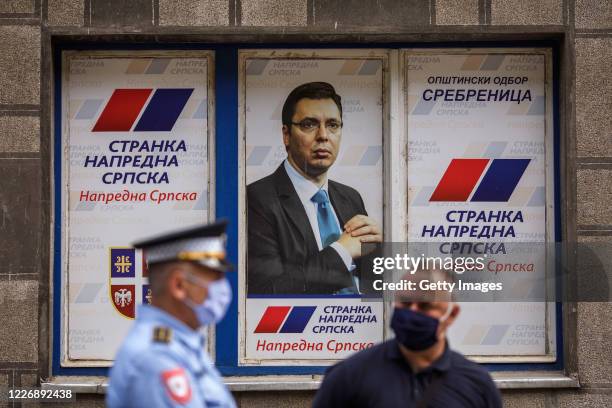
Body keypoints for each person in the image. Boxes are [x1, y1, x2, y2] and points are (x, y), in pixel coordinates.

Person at [247, 81, 382, 295]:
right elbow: (268, 291)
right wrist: (342, 251)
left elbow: (372, 286)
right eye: (309, 124)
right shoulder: (256, 199)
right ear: (286, 135)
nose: (323, 135)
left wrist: (378, 252)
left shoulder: (351, 197)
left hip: (357, 326)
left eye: (333, 125)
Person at [313, 269, 502, 408]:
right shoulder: (350, 376)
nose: (412, 312)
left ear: (451, 315)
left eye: (425, 306)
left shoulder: (476, 384)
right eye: (405, 302)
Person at [106, 220, 236, 408]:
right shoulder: (154, 358)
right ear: (178, 285)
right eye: (214, 278)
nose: (223, 289)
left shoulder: (182, 345)